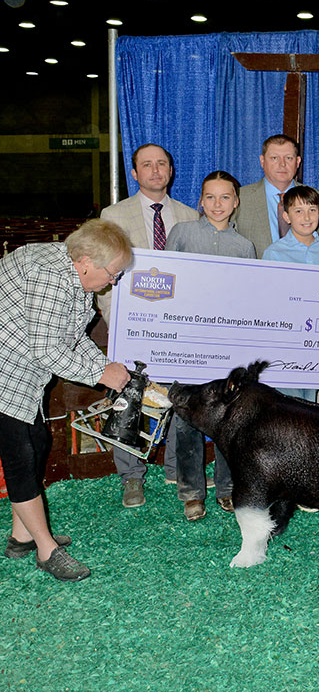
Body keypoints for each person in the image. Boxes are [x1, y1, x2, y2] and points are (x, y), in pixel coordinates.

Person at [0, 219, 132, 581]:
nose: (113, 281)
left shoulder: (75, 274)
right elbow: (47, 351)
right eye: (112, 273)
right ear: (86, 261)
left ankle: (22, 537)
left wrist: (106, 366)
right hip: (5, 372)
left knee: (37, 443)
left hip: (20, 369)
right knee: (20, 456)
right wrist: (100, 374)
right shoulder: (50, 277)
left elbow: (71, 338)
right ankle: (46, 550)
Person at [99, 142, 199, 507]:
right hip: (132, 326)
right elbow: (103, 276)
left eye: (162, 164)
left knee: (179, 398)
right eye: (147, 164)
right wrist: (117, 323)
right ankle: (131, 476)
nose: (156, 170)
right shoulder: (113, 215)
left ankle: (176, 469)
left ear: (171, 170)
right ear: (134, 172)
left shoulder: (190, 215)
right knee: (129, 397)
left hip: (177, 326)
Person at [164, 171, 255, 521]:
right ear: (201, 201)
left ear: (236, 202)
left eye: (225, 197)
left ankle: (228, 488)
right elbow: (165, 279)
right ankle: (191, 492)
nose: (218, 204)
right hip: (186, 341)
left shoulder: (244, 247)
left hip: (227, 345)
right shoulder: (182, 233)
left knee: (228, 417)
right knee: (187, 416)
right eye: (211, 197)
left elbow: (250, 297)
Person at [263, 186, 319, 404]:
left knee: (312, 403)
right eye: (298, 211)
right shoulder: (274, 253)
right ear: (286, 217)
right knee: (289, 405)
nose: (306, 217)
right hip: (285, 343)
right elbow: (267, 300)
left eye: (312, 210)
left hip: (318, 341)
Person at [233, 134, 319, 260]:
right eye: (274, 158)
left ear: (298, 162)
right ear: (262, 161)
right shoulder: (239, 198)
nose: (282, 164)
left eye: (288, 158)